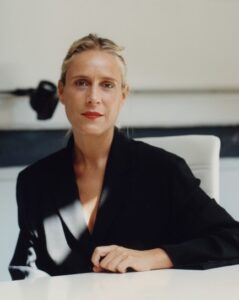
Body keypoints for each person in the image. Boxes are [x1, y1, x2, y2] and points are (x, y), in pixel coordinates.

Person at [9, 33, 239, 280]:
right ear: (62, 92)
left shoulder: (164, 170)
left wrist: (153, 257)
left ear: (123, 95)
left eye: (107, 85)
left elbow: (232, 238)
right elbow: (26, 270)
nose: (93, 97)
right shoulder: (34, 181)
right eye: (81, 83)